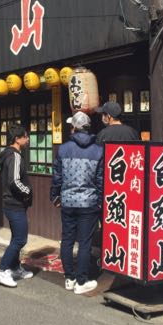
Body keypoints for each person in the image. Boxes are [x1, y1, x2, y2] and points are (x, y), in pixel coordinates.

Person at [50, 111, 104, 295]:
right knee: (85, 242)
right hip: (89, 202)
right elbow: (100, 180)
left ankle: (69, 278)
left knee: (67, 239)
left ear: (73, 128)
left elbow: (57, 176)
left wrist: (55, 196)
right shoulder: (98, 150)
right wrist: (100, 201)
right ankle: (81, 281)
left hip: (68, 200)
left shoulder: (63, 149)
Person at [0, 125, 34, 288]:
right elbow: (14, 181)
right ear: (17, 139)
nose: (28, 139)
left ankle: (15, 267)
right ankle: (3, 270)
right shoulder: (15, 156)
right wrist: (28, 191)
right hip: (15, 204)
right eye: (25, 136)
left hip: (11, 203)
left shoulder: (9, 154)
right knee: (20, 239)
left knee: (15, 237)